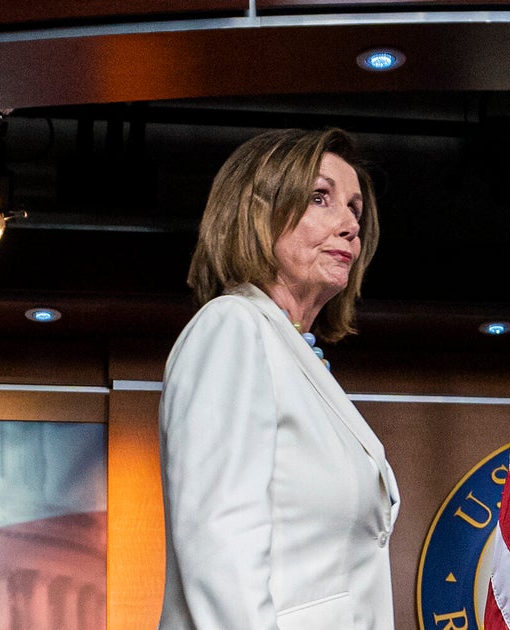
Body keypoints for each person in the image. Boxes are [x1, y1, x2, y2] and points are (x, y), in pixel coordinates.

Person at [158, 128, 400, 630]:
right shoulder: (232, 327)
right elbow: (219, 550)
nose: (349, 226)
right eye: (320, 198)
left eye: (354, 209)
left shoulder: (292, 352)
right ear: (256, 213)